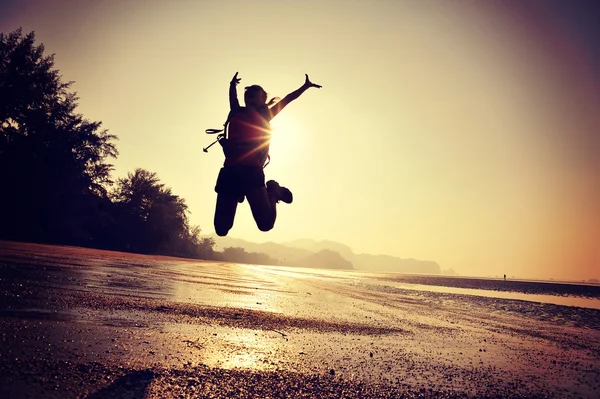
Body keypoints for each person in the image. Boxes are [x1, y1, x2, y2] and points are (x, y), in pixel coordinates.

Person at [213, 72, 321, 236]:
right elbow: (232, 98)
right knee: (221, 229)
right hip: (230, 172)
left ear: (262, 100)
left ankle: (273, 191)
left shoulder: (266, 115)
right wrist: (232, 85)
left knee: (266, 224)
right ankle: (239, 194)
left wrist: (305, 87)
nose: (249, 95)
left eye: (254, 94)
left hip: (251, 172)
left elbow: (288, 99)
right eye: (247, 93)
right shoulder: (235, 111)